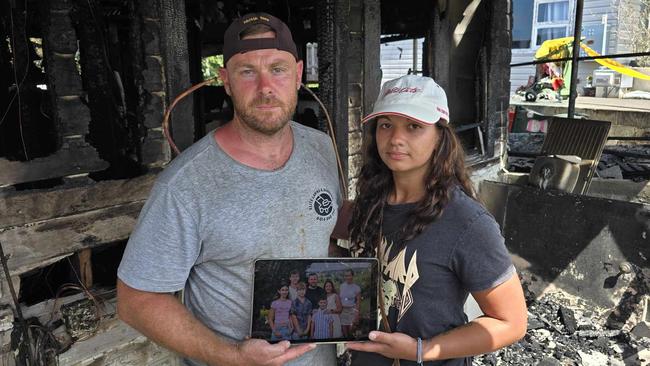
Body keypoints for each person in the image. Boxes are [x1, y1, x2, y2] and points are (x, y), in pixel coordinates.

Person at [116, 12, 341, 366]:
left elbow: (324, 232)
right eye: (247, 71)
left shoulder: (321, 149)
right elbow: (136, 300)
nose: (265, 87)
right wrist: (231, 355)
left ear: (298, 74)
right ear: (226, 81)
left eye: (278, 69)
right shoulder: (186, 184)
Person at [345, 75, 527, 365]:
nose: (395, 139)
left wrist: (421, 350)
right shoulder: (370, 202)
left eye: (414, 126)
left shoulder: (467, 223)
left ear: (440, 136)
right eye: (386, 125)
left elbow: (511, 322)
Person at [339, 269, 361, 338]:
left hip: (352, 310)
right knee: (344, 331)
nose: (347, 277)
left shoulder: (356, 288)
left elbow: (358, 301)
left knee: (351, 330)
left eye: (349, 275)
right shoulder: (341, 286)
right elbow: (340, 298)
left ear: (352, 276)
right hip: (343, 311)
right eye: (346, 276)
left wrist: (357, 313)